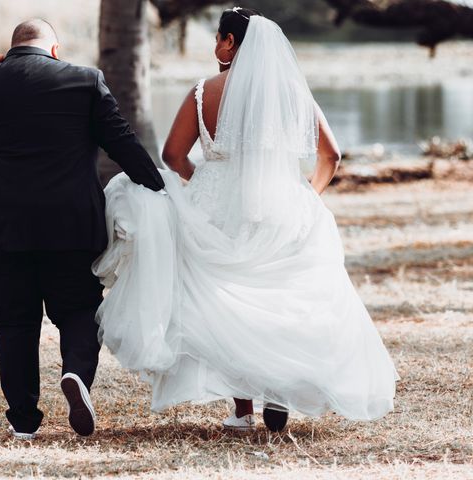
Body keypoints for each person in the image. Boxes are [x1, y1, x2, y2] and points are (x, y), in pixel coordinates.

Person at [93, 8, 399, 432]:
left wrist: (202, 180)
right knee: (279, 298)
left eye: (218, 37)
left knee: (223, 301)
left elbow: (172, 156)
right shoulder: (291, 93)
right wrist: (307, 197)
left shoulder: (205, 92)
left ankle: (242, 410)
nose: (214, 45)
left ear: (232, 44)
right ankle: (280, 392)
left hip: (215, 204)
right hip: (281, 206)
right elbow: (331, 156)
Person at [0, 19, 165, 439]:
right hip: (70, 225)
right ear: (55, 50)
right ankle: (76, 374)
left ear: (11, 49)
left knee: (13, 321)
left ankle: (23, 421)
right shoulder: (85, 82)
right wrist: (160, 188)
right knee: (77, 309)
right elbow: (123, 142)